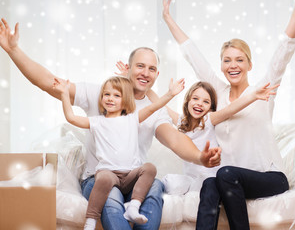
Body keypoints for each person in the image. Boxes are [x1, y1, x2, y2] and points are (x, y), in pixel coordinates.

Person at [0, 18, 221, 230]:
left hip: (133, 178)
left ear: (157, 74)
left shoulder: (153, 112)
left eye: (151, 69)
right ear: (128, 67)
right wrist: (13, 50)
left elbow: (175, 140)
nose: (145, 73)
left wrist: (201, 157)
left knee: (155, 188)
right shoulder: (103, 94)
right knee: (111, 199)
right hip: (100, 177)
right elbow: (49, 82)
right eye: (140, 66)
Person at [162, 0, 295, 229]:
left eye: (239, 60)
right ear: (221, 66)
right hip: (229, 179)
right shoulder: (217, 95)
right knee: (211, 183)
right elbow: (193, 55)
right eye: (227, 60)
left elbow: (283, 53)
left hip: (268, 177)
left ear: (249, 64)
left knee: (224, 174)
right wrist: (168, 19)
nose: (233, 65)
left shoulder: (263, 90)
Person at [53, 75, 184, 229]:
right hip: (109, 174)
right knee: (103, 177)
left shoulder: (132, 118)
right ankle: (90, 220)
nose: (110, 99)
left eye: (116, 96)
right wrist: (64, 93)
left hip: (130, 176)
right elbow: (71, 118)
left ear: (126, 100)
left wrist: (171, 94)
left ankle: (133, 206)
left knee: (150, 168)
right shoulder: (96, 121)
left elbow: (154, 107)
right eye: (106, 94)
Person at [143, 80, 278, 192]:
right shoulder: (181, 121)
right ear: (188, 101)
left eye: (206, 102)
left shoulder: (208, 120)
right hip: (191, 179)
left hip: (210, 178)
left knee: (202, 186)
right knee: (169, 182)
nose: (199, 104)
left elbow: (231, 109)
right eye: (195, 98)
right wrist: (144, 86)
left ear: (210, 107)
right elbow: (160, 105)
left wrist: (253, 96)